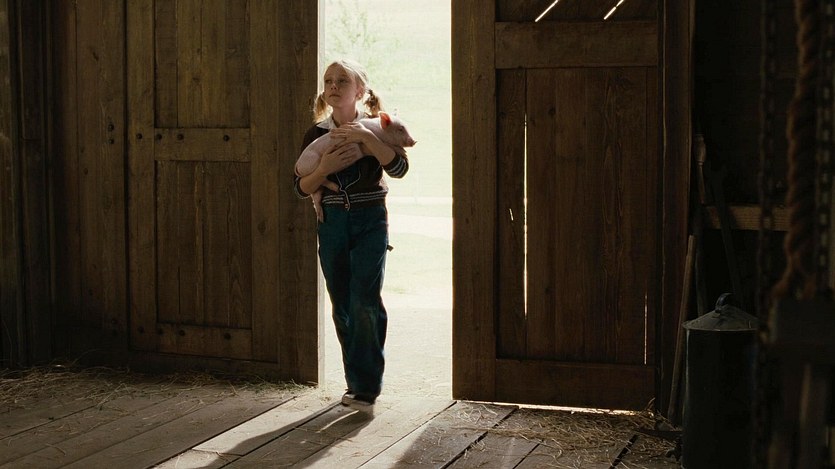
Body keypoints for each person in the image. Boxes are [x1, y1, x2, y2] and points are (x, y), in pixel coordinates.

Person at [294, 59, 409, 410]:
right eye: (328, 80)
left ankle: (365, 388)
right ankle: (355, 381)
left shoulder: (378, 127)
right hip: (331, 222)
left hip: (369, 219)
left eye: (342, 80)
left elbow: (399, 168)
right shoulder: (317, 134)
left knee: (364, 301)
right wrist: (325, 168)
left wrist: (365, 138)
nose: (333, 86)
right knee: (342, 303)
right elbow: (300, 187)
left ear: (360, 90)